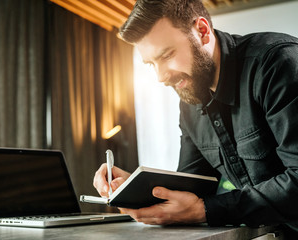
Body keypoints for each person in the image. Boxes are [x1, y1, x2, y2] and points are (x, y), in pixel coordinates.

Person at [93, 0, 298, 236]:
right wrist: (137, 186)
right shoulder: (190, 101)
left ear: (202, 31)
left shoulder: (278, 64)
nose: (161, 77)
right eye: (152, 64)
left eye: (167, 54)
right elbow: (191, 184)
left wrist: (204, 210)